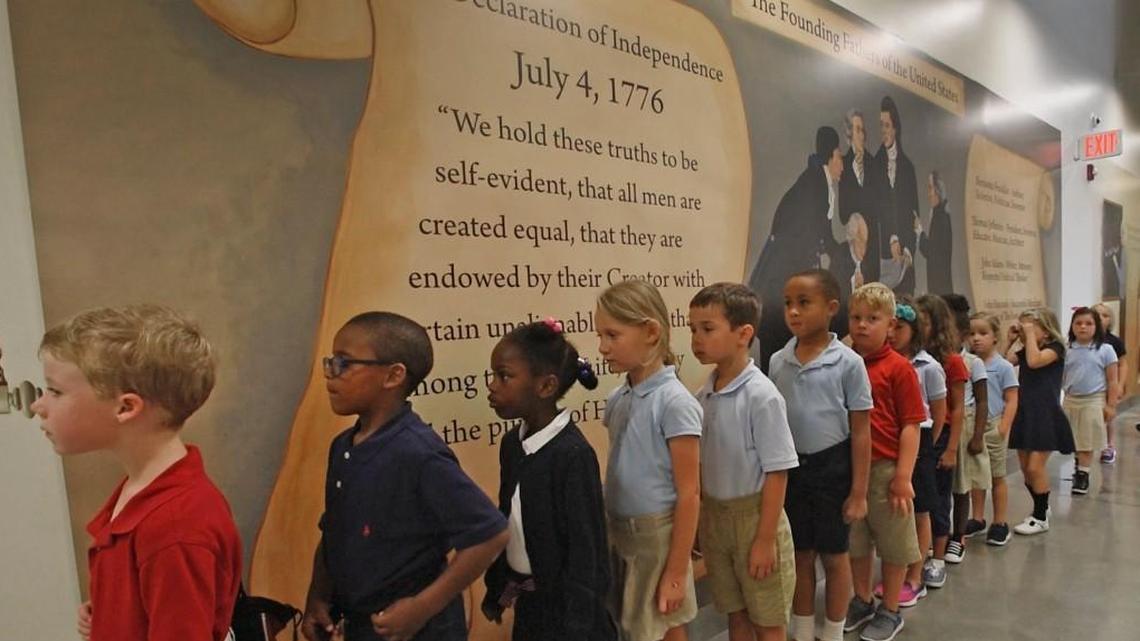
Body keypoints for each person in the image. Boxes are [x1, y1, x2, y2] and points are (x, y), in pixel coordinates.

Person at [31, 305, 241, 641]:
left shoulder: (175, 526)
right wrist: (112, 610)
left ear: (126, 407)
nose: (38, 406)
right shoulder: (142, 491)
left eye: (55, 391)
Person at [302, 312, 509, 641]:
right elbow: (334, 530)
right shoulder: (342, 447)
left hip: (418, 630)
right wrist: (318, 597)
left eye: (344, 363)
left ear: (393, 375)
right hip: (362, 626)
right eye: (331, 362)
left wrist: (422, 607)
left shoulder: (417, 454)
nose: (330, 375)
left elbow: (490, 534)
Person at [481, 320, 614, 641]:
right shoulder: (513, 445)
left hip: (571, 617)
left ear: (545, 386)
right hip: (532, 605)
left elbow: (587, 548)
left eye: (505, 376)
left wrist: (579, 624)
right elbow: (508, 516)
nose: (492, 386)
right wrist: (497, 587)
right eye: (493, 375)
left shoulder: (572, 454)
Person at [689, 283, 799, 641]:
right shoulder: (701, 396)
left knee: (767, 619)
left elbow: (777, 471)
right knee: (734, 613)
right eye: (692, 330)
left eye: (707, 329)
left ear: (743, 334)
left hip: (756, 520)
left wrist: (765, 539)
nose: (696, 339)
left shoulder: (761, 395)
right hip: (716, 518)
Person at [769, 270, 873, 641]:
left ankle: (832, 631)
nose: (793, 312)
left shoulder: (848, 363)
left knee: (834, 554)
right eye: (787, 304)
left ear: (831, 308)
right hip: (794, 469)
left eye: (803, 303)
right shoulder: (778, 361)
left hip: (834, 467)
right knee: (800, 553)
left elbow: (861, 430)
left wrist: (859, 492)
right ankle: (800, 627)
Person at [596, 281, 702, 641]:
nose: (602, 347)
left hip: (656, 540)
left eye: (612, 335)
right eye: (600, 335)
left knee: (663, 622)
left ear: (651, 332)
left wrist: (675, 573)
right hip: (620, 532)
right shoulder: (618, 398)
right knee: (637, 626)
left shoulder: (675, 403)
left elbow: (689, 494)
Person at [843, 283, 924, 641]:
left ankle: (890, 609)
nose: (862, 325)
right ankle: (861, 598)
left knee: (893, 544)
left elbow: (911, 425)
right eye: (856, 318)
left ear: (890, 325)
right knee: (856, 542)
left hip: (887, 470)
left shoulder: (899, 369)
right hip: (850, 471)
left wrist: (903, 475)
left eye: (872, 319)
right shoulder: (846, 363)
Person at [750, 126, 845, 371]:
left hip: (782, 277)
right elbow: (814, 235)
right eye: (840, 158)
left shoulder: (814, 180)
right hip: (779, 278)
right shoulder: (815, 184)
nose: (842, 166)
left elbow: (822, 235)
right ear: (832, 155)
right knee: (778, 353)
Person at [889, 297, 945, 602]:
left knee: (920, 509)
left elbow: (938, 413)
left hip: (920, 440)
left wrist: (929, 447)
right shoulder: (878, 361)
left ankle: (915, 575)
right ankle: (896, 572)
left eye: (900, 327)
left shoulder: (928, 367)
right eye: (889, 326)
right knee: (898, 512)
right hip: (890, 439)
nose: (893, 333)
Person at [913, 295, 966, 582]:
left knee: (939, 498)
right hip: (917, 435)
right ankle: (919, 553)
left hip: (941, 435)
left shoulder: (951, 361)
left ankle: (938, 558)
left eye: (924, 322)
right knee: (920, 498)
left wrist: (951, 449)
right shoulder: (908, 357)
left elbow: (957, 409)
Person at [1005, 308, 1073, 536]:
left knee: (1035, 466)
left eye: (1032, 327)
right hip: (1026, 413)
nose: (1027, 332)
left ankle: (1041, 517)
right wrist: (1011, 340)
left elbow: (1034, 362)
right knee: (1026, 468)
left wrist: (1030, 336)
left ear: (1046, 329)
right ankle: (1041, 507)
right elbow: (1004, 364)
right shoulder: (1026, 350)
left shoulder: (1056, 349)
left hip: (1045, 414)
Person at [941, 294, 988, 563]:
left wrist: (978, 435)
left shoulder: (973, 363)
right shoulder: (935, 360)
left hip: (965, 426)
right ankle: (940, 532)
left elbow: (982, 401)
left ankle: (958, 536)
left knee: (961, 485)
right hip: (942, 426)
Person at [967, 314, 1019, 546]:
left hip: (994, 426)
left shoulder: (1003, 367)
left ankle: (999, 522)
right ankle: (977, 518)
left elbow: (1011, 399)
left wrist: (1002, 427)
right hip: (973, 426)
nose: (976, 338)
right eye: (972, 333)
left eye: (982, 333)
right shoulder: (968, 363)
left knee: (997, 476)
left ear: (995, 337)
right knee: (976, 476)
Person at [1061, 307, 1118, 495]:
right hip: (1071, 400)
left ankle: (1083, 475)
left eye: (1088, 323)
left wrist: (1110, 405)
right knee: (1075, 439)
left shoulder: (1106, 350)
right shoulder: (1066, 348)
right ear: (1072, 326)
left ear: (1097, 326)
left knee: (1087, 440)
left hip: (1093, 400)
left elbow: (1112, 380)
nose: (1083, 327)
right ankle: (1079, 465)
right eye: (1078, 323)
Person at [872, 97, 919, 295]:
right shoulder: (875, 164)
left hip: (905, 262)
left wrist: (907, 248)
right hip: (883, 257)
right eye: (881, 125)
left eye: (887, 125)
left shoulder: (907, 167)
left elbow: (913, 212)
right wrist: (891, 239)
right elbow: (878, 208)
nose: (884, 130)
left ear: (895, 128)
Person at [839, 109, 880, 284]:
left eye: (862, 129)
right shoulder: (842, 164)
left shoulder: (875, 164)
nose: (861, 134)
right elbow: (842, 213)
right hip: (853, 246)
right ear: (849, 134)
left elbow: (881, 206)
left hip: (872, 247)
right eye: (857, 129)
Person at [1092, 303, 1126, 463]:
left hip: (1109, 385)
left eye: (1105, 315)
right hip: (1093, 385)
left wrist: (1120, 384)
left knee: (1108, 416)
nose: (1101, 318)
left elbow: (1123, 364)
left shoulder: (1115, 342)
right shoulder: (1086, 340)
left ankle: (1109, 445)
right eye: (1097, 314)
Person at [915, 172, 953, 295]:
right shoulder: (941, 214)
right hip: (941, 287)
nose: (928, 193)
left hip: (940, 289)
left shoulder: (940, 217)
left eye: (930, 188)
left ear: (937, 190)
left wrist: (919, 231)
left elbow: (931, 252)